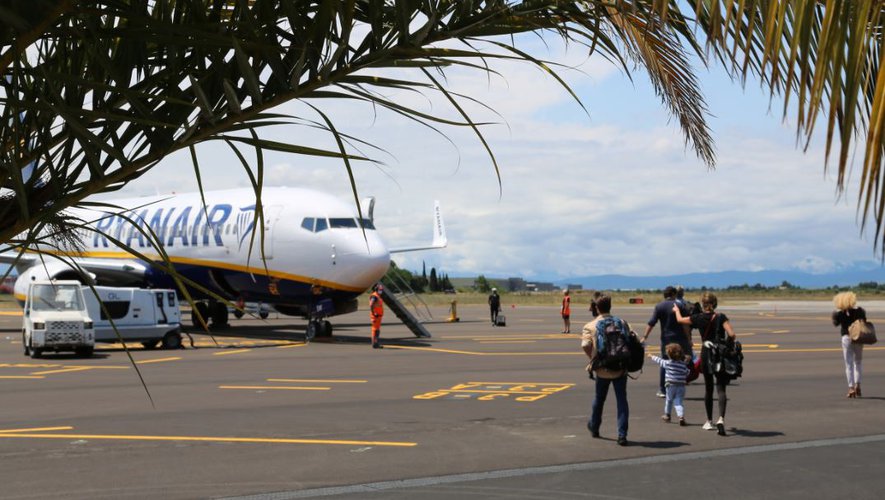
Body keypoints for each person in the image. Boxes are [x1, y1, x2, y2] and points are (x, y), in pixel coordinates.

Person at [673, 292, 735, 436]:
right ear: (714, 304)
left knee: (708, 389)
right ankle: (721, 418)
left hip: (706, 353)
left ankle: (709, 421)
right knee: (721, 388)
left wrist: (676, 311)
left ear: (703, 304)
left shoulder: (698, 318)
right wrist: (726, 345)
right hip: (719, 354)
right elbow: (732, 334)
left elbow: (681, 320)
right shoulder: (721, 317)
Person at [581, 293, 631, 446]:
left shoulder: (590, 326)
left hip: (602, 368)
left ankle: (595, 427)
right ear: (610, 306)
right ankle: (622, 435)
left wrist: (592, 359)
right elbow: (630, 338)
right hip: (620, 369)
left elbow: (585, 345)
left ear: (597, 308)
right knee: (622, 401)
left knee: (599, 399)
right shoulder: (622, 322)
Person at [641, 286, 693, 398]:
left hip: (667, 339)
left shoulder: (659, 306)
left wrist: (645, 336)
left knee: (665, 363)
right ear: (674, 294)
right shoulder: (679, 305)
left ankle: (662, 389)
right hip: (680, 339)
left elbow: (651, 323)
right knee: (683, 361)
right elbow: (685, 324)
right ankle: (679, 386)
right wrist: (689, 339)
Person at [832, 291, 866, 398]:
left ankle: (851, 388)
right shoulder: (860, 311)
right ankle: (858, 385)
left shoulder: (839, 314)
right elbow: (864, 320)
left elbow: (835, 324)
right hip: (858, 338)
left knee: (848, 364)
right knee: (858, 362)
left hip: (846, 338)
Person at [650, 343, 691, 426]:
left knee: (669, 400)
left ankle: (667, 415)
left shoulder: (668, 363)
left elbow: (659, 360)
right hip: (681, 386)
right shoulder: (682, 365)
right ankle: (681, 416)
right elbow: (687, 372)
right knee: (678, 402)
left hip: (670, 385)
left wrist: (651, 356)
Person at [369, 283, 384, 349]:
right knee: (375, 330)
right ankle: (374, 344)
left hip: (379, 316)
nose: (381, 291)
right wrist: (373, 313)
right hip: (376, 316)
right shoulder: (374, 296)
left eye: (381, 289)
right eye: (380, 289)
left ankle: (376, 343)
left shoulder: (378, 296)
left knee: (377, 330)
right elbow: (371, 304)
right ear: (376, 289)